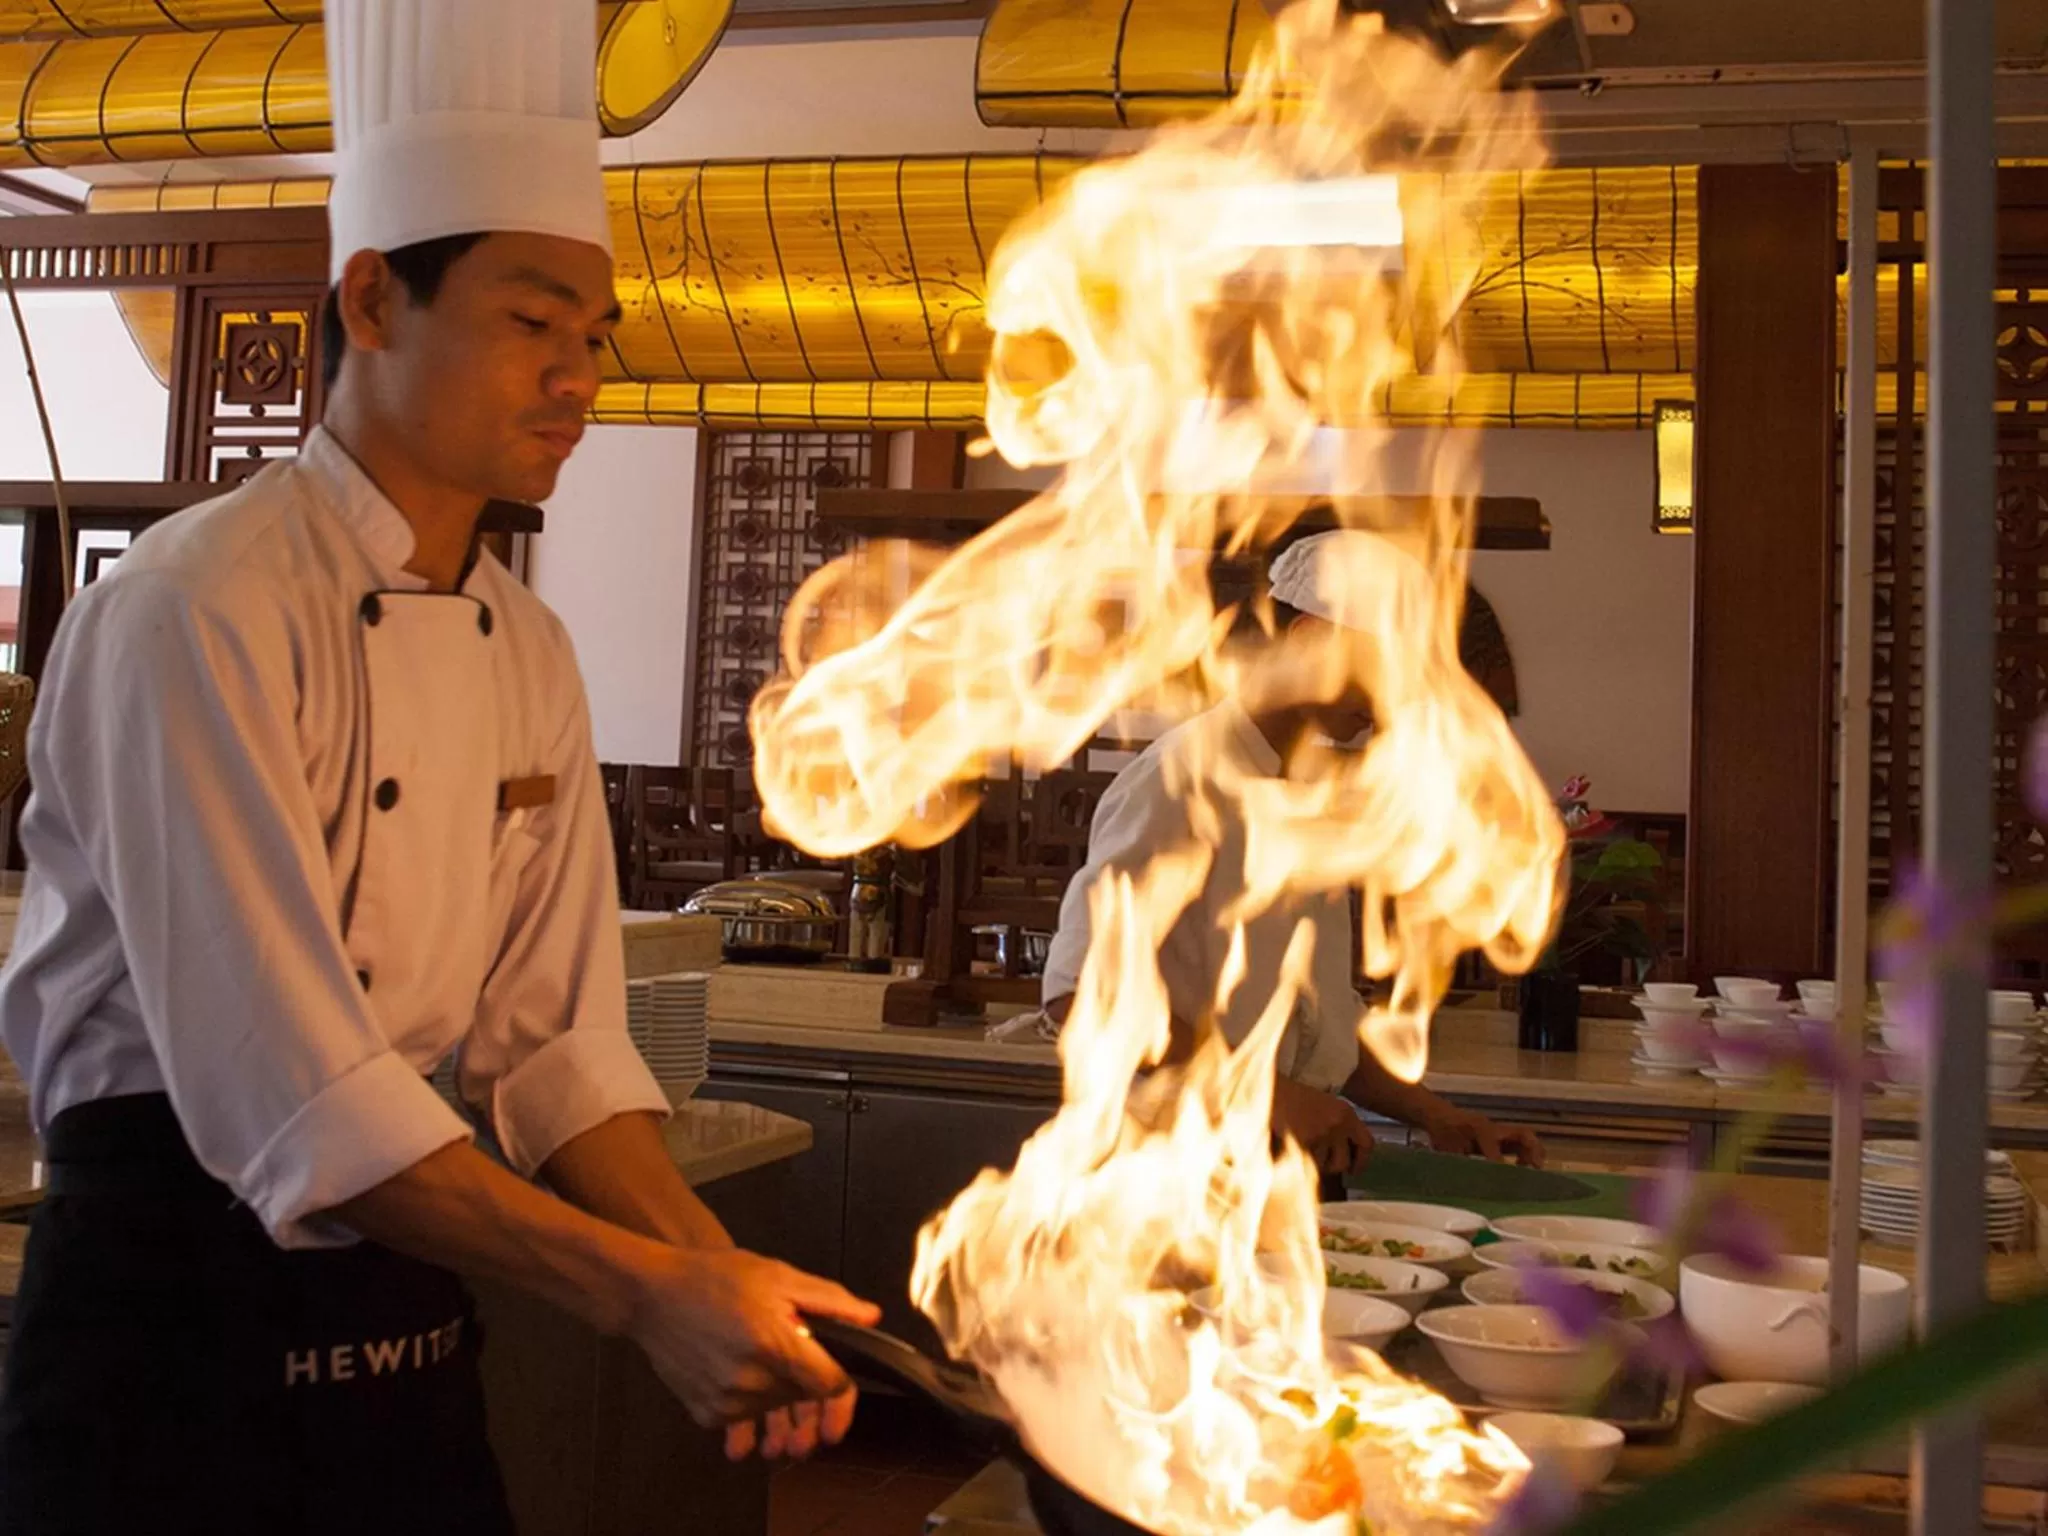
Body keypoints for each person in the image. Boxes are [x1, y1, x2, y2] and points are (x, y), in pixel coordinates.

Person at [0, 3, 876, 1530]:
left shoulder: (525, 649)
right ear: (373, 299)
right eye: (533, 321)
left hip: (410, 1305)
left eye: (594, 337)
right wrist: (638, 1295)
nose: (580, 376)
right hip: (165, 1328)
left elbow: (555, 1057)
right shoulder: (191, 613)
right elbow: (298, 1105)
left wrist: (707, 1272)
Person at [1040, 530, 1546, 1184]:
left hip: (1270, 1182)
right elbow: (1079, 994)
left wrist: (1435, 1114)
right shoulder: (1179, 781)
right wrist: (1270, 1096)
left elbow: (1317, 1029)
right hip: (1162, 1182)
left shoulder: (1308, 793)